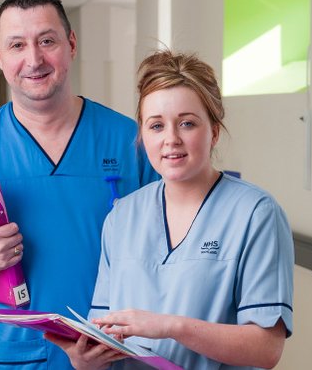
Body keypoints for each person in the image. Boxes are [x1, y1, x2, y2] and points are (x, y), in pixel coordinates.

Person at [0, 0, 158, 369]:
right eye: (17, 45)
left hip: (111, 357)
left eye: (47, 40)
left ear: (71, 44)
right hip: (10, 359)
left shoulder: (131, 141)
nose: (34, 59)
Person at [46, 50, 294, 369]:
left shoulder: (255, 214)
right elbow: (103, 333)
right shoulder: (122, 217)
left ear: (214, 131)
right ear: (142, 135)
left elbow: (266, 348)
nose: (171, 140)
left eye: (187, 123)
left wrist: (171, 327)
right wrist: (85, 360)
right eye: (156, 126)